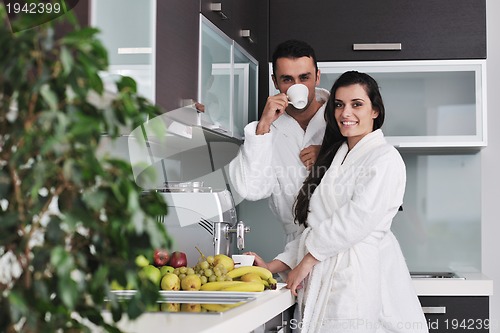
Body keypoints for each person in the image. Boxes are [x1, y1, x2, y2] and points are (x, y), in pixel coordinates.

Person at [248, 71, 428, 333]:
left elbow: (356, 220)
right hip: (326, 272)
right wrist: (270, 267)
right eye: (340, 105)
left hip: (353, 276)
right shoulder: (338, 157)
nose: (346, 113)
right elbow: (319, 227)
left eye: (357, 104)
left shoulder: (385, 158)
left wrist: (306, 262)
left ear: (375, 111)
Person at [229, 40, 330, 248]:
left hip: (342, 239)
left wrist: (330, 153)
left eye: (304, 78)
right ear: (275, 82)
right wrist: (263, 125)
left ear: (317, 76)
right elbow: (251, 189)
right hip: (296, 246)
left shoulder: (341, 118)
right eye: (287, 79)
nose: (297, 87)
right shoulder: (268, 131)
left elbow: (372, 163)